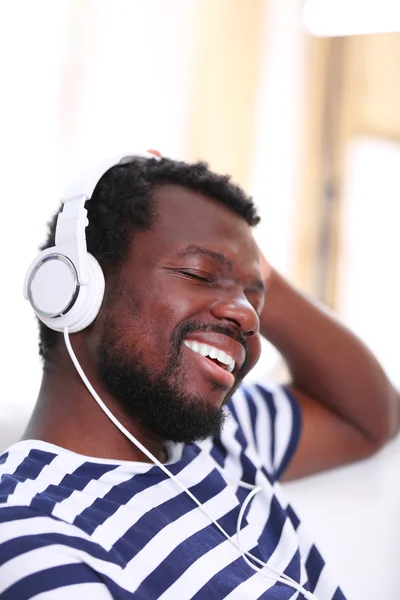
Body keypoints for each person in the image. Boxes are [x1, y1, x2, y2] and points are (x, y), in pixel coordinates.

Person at [0, 152, 398, 600]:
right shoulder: (30, 534)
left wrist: (256, 271)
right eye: (198, 273)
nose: (249, 316)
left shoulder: (223, 431)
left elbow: (371, 416)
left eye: (255, 300)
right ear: (74, 291)